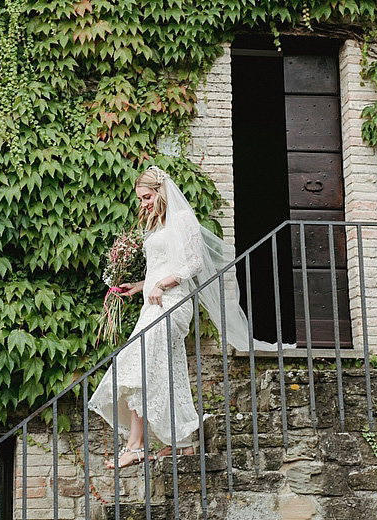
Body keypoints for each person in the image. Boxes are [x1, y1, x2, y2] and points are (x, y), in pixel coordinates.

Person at [88, 165, 282, 469]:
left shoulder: (181, 219)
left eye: (147, 197)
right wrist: (139, 286)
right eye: (140, 199)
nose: (144, 204)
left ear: (161, 191)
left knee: (139, 364)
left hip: (172, 303)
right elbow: (161, 267)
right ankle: (181, 444)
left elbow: (193, 264)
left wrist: (163, 285)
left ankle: (137, 445)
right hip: (153, 303)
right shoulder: (158, 226)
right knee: (161, 371)